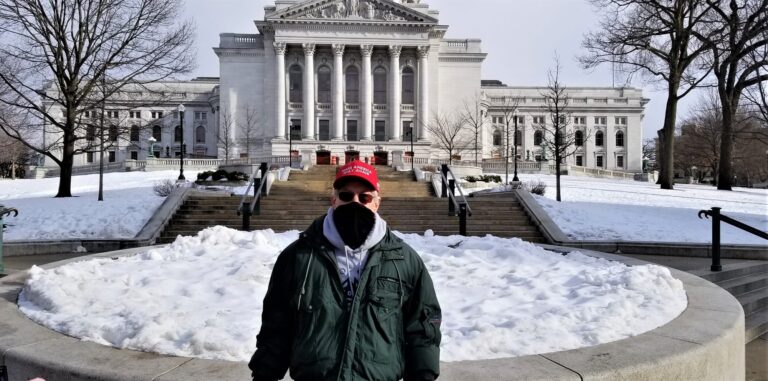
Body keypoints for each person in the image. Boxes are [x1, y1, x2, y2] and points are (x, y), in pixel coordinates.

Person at [249, 160, 442, 381]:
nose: (355, 203)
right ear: (333, 200)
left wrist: (423, 374)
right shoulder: (299, 256)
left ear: (377, 203)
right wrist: (265, 372)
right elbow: (276, 324)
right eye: (346, 196)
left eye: (365, 197)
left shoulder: (404, 260)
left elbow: (422, 326)